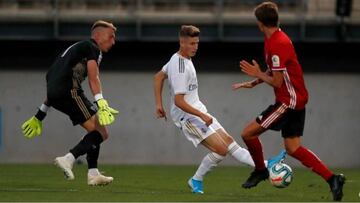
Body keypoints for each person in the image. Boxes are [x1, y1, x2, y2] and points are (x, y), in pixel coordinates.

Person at [232, 2, 345, 201]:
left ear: (260, 23)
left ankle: (260, 170)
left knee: (247, 134)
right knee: (293, 148)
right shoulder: (275, 39)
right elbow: (276, 72)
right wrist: (256, 81)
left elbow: (276, 80)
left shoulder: (277, 43)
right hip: (295, 100)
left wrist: (258, 74)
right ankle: (332, 179)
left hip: (288, 102)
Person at [154, 25, 285, 194]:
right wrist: (201, 115)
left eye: (197, 43)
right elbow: (179, 101)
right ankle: (196, 179)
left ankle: (267, 165)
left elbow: (158, 77)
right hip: (187, 117)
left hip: (198, 111)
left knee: (230, 143)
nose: (195, 47)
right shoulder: (179, 66)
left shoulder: (179, 59)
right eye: (192, 43)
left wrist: (159, 104)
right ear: (182, 42)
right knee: (221, 150)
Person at [21, 20, 119, 186]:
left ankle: (93, 173)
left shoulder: (73, 50)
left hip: (55, 93)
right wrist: (101, 101)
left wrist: (40, 115)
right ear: (98, 35)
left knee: (94, 131)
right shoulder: (92, 47)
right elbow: (94, 78)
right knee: (102, 133)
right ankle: (68, 158)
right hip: (70, 91)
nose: (113, 41)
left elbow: (52, 81)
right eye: (111, 36)